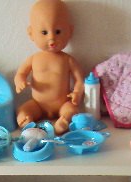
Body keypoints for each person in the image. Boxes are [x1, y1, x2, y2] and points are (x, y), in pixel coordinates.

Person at [14, 0, 85, 135]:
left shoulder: (68, 60)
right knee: (23, 109)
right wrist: (20, 81)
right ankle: (26, 121)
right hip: (37, 104)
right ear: (31, 33)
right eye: (44, 32)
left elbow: (79, 80)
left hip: (63, 104)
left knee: (72, 110)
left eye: (58, 31)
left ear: (69, 31)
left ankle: (62, 123)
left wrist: (77, 93)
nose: (52, 38)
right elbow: (21, 73)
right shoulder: (34, 59)